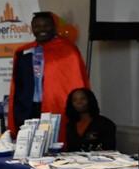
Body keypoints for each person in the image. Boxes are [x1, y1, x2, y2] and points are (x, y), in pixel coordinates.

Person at [8, 12, 90, 143]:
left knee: (54, 144)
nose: (41, 29)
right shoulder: (22, 52)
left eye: (46, 25)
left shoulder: (68, 51)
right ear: (32, 28)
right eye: (37, 26)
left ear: (54, 27)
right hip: (28, 108)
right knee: (29, 148)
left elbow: (76, 82)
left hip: (56, 108)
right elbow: (17, 84)